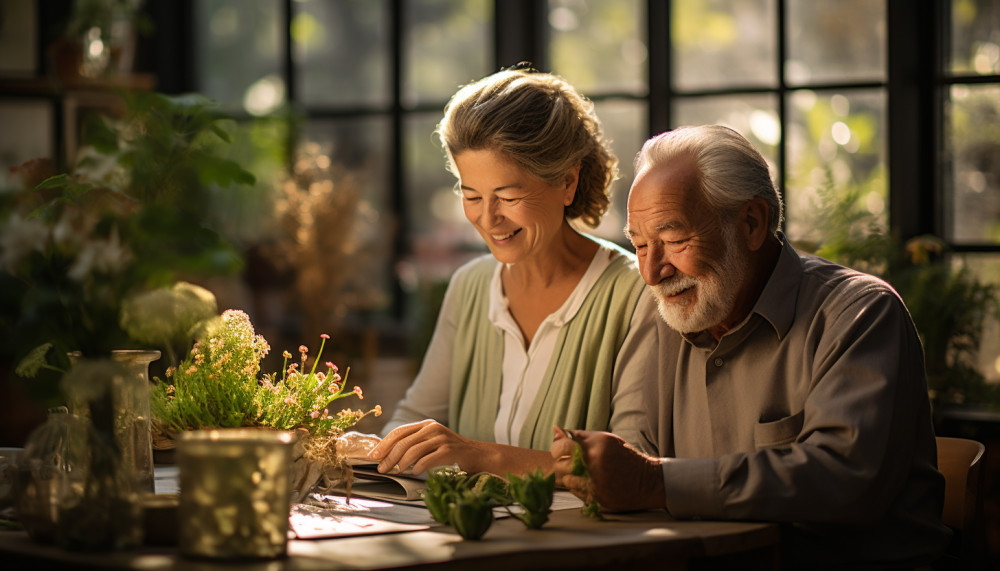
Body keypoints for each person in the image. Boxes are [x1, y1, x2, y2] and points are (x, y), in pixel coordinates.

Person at [551, 125, 952, 569]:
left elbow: (842, 481)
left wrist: (654, 481)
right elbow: (638, 463)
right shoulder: (666, 318)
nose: (651, 272)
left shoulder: (859, 315)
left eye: (674, 240)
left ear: (752, 223)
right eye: (641, 245)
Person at [367, 67, 660, 477]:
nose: (488, 219)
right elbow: (414, 417)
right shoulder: (468, 286)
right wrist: (375, 446)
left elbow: (634, 465)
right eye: (471, 196)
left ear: (567, 182)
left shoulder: (636, 294)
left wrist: (481, 456)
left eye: (508, 196)